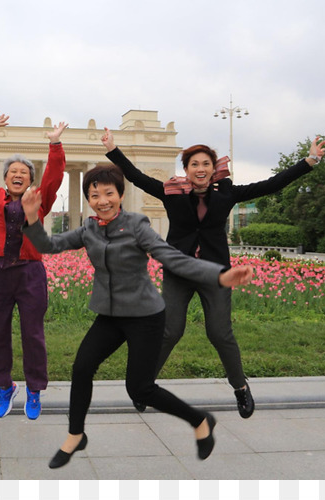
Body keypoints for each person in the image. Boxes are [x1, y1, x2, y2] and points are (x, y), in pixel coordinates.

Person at [20, 165, 254, 468]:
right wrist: (31, 216)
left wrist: (220, 275)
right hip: (110, 315)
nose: (102, 200)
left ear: (120, 194)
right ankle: (75, 435)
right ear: (88, 199)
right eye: (94, 195)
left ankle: (200, 421)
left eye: (108, 193)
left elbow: (172, 258)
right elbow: (48, 246)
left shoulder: (137, 225)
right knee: (82, 368)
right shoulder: (89, 230)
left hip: (145, 316)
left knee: (140, 388)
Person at [101, 128, 325, 417]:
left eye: (205, 164)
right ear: (186, 168)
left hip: (216, 273)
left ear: (212, 168)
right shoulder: (172, 192)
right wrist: (112, 149)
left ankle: (240, 388)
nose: (200, 169)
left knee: (220, 333)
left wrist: (309, 161)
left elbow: (271, 184)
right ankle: (143, 387)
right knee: (169, 331)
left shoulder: (227, 193)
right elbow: (135, 176)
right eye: (194, 164)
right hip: (179, 271)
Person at [0, 112, 66, 420]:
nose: (18, 174)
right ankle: (4, 386)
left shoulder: (39, 199)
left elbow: (55, 175)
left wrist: (55, 145)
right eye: (12, 171)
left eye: (23, 172)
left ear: (30, 178)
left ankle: (34, 390)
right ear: (4, 178)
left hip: (30, 273)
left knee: (33, 333)